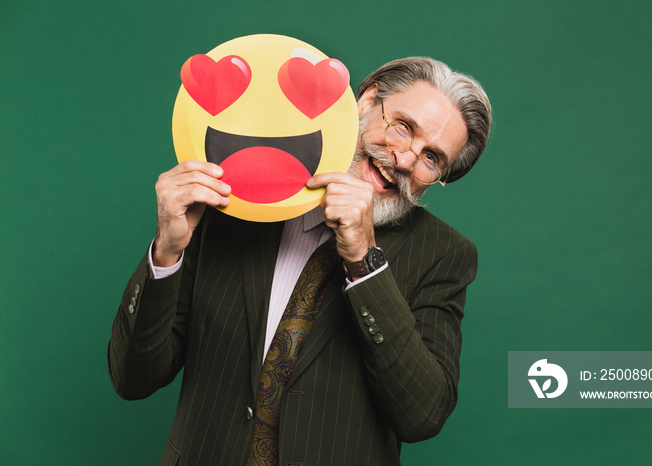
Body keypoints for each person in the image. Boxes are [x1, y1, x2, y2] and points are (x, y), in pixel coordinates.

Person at [109, 56, 492, 466]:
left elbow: (422, 416)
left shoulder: (443, 253)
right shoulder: (235, 199)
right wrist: (167, 254)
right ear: (364, 102)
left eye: (432, 158)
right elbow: (133, 378)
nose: (404, 159)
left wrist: (364, 261)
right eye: (402, 127)